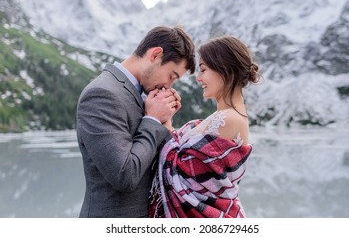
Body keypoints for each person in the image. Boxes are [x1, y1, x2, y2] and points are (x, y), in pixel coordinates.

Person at [76, 25, 196, 217]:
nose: (169, 85)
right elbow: (125, 175)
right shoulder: (101, 94)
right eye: (171, 76)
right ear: (155, 55)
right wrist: (153, 119)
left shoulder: (145, 95)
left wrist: (165, 122)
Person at [149, 36, 260, 218]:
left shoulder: (229, 119)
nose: (199, 78)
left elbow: (184, 174)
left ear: (224, 69)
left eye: (203, 70)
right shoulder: (222, 116)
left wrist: (164, 120)